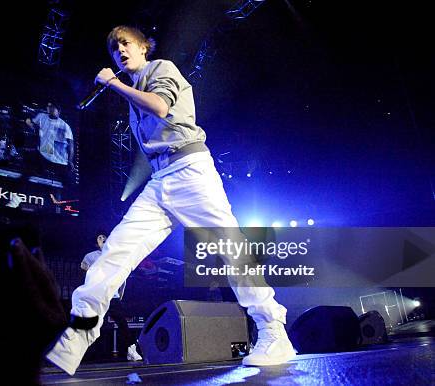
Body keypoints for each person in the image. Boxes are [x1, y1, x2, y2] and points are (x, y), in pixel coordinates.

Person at [46, 26, 295, 375]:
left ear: (143, 47)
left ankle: (273, 330)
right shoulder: (132, 97)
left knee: (230, 247)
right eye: (114, 48)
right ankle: (81, 331)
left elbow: (161, 107)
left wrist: (115, 84)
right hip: (160, 181)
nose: (119, 51)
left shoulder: (160, 69)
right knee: (116, 250)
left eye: (125, 43)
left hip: (191, 169)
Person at [80, 231, 142, 362]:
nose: (102, 239)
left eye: (104, 237)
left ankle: (131, 350)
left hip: (112, 296)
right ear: (96, 242)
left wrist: (120, 294)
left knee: (122, 323)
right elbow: (84, 270)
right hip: (97, 296)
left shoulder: (115, 256)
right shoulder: (90, 256)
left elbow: (122, 276)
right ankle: (83, 353)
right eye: (100, 237)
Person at [25, 102, 74, 183]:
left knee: (67, 183)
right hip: (44, 155)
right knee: (30, 171)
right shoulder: (42, 117)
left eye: (52, 107)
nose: (50, 109)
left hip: (59, 160)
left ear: (58, 111)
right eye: (48, 107)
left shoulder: (65, 126)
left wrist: (70, 160)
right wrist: (30, 124)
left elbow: (71, 145)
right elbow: (29, 121)